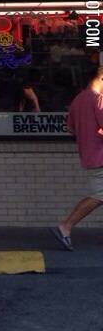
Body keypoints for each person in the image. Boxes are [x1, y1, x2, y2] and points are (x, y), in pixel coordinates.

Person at [51, 62, 103, 250]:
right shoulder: (99, 99)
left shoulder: (78, 99)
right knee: (99, 195)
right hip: (100, 155)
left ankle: (66, 226)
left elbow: (70, 128)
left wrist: (88, 134)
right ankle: (65, 225)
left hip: (89, 154)